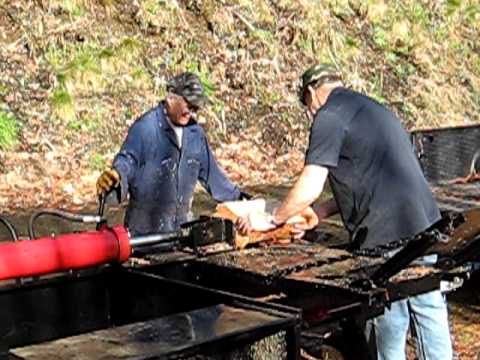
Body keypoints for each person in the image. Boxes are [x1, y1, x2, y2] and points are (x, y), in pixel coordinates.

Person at [238, 64, 452, 360]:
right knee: (427, 309)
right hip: (424, 223)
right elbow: (371, 178)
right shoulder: (374, 109)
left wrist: (272, 219)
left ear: (311, 93)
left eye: (307, 106)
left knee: (388, 319)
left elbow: (311, 183)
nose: (309, 112)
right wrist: (321, 212)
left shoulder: (328, 116)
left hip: (387, 238)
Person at [96, 72, 250, 236]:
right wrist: (116, 176)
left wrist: (246, 204)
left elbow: (217, 180)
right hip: (142, 237)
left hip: (180, 237)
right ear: (170, 98)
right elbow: (127, 161)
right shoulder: (145, 128)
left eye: (195, 108)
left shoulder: (195, 135)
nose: (191, 112)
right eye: (188, 105)